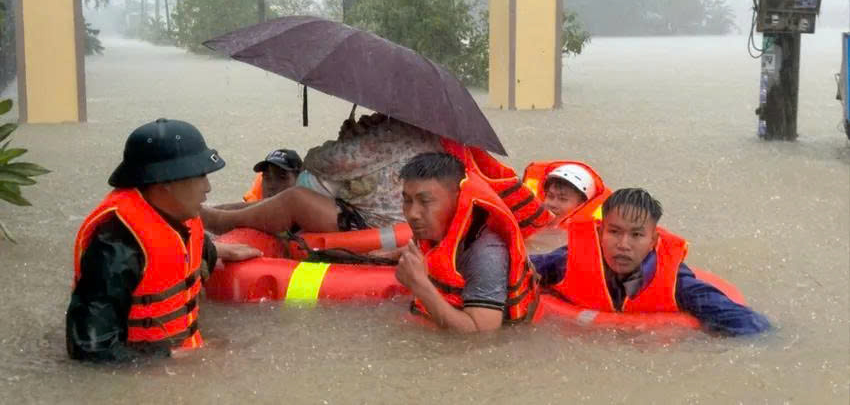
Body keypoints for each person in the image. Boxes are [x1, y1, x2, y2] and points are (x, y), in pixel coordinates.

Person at [66, 119, 261, 362]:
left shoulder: (180, 215)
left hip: (185, 351)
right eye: (199, 175)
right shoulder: (116, 246)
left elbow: (178, 252)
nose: (207, 187)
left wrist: (216, 250)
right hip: (145, 376)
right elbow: (89, 349)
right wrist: (175, 356)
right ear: (165, 182)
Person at [530, 188, 771, 336]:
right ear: (600, 232)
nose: (623, 244)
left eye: (636, 235)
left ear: (653, 240)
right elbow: (516, 267)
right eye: (614, 232)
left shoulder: (676, 282)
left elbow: (745, 324)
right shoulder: (567, 261)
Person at [200, 113, 443, 235]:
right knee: (275, 201)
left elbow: (320, 161)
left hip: (371, 223)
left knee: (294, 199)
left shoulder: (391, 137)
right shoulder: (427, 134)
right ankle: (213, 210)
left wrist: (349, 138)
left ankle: (217, 221)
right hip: (387, 217)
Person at [391, 152, 539, 333]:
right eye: (407, 200)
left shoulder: (486, 253)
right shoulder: (432, 227)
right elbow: (430, 250)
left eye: (425, 201)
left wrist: (419, 285)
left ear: (458, 198)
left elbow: (481, 335)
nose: (413, 213)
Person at [214, 148, 303, 210]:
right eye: (267, 178)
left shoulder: (313, 214)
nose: (272, 186)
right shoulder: (249, 212)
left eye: (282, 177)